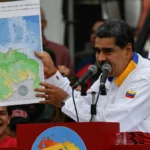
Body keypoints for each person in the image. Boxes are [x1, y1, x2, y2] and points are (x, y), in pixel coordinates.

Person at [34, 19, 150, 132]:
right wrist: (52, 73)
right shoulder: (111, 73)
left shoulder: (145, 77)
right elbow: (83, 102)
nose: (100, 58)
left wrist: (64, 101)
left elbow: (111, 123)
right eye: (97, 51)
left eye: (108, 51)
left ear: (128, 50)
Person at [41, 8, 74, 75]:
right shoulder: (16, 53)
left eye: (37, 21)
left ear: (45, 23)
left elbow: (72, 83)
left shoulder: (61, 52)